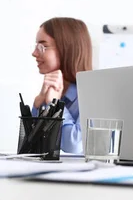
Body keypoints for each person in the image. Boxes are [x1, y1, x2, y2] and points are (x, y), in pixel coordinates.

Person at [32, 17, 93, 154]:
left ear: (66, 48)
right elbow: (31, 148)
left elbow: (73, 146)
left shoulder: (93, 96)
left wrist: (56, 106)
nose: (34, 53)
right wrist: (38, 104)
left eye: (43, 46)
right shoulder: (50, 93)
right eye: (36, 46)